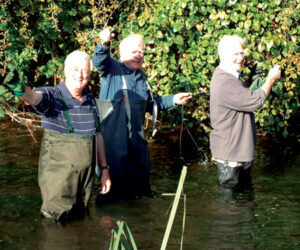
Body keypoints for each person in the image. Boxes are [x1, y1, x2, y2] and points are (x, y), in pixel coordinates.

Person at [4, 51, 111, 221]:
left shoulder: (91, 100)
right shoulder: (53, 96)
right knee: (55, 231)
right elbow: (33, 98)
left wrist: (104, 170)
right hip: (59, 185)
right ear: (66, 70)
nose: (80, 74)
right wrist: (20, 90)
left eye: (85, 70)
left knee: (80, 226)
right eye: (75, 69)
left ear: (90, 75)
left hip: (85, 186)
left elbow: (98, 136)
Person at [93, 28, 192, 202]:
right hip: (112, 148)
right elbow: (99, 60)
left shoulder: (142, 78)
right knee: (111, 197)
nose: (139, 55)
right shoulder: (111, 69)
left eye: (142, 52)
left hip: (137, 147)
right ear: (122, 53)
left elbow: (150, 106)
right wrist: (104, 43)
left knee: (139, 196)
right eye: (134, 52)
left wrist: (174, 100)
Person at [209, 35, 281, 189]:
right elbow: (255, 101)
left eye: (241, 53)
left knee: (243, 205)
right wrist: (270, 79)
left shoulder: (230, 76)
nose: (240, 58)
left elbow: (240, 98)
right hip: (231, 158)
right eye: (235, 54)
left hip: (237, 155)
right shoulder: (225, 81)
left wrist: (250, 81)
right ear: (223, 55)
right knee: (230, 208)